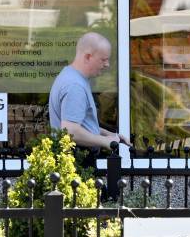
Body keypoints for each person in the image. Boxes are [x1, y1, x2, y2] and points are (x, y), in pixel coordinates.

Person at [49, 32, 130, 166]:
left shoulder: (70, 76)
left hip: (75, 160)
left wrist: (108, 134)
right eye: (103, 60)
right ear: (88, 57)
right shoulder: (75, 86)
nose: (107, 64)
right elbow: (70, 132)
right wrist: (105, 142)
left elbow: (81, 125)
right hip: (77, 162)